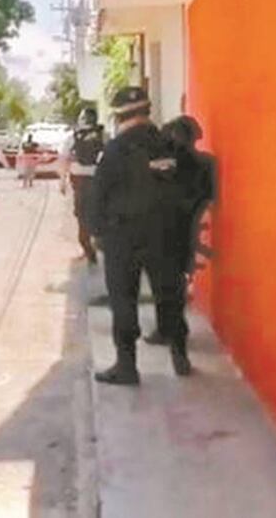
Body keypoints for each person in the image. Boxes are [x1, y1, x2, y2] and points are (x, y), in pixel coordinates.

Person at [92, 86, 188, 385]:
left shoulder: (115, 150)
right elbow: (186, 190)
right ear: (147, 112)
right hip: (165, 233)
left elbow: (97, 195)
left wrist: (97, 232)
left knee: (124, 298)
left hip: (124, 236)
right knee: (169, 292)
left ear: (119, 116)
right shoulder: (169, 145)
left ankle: (127, 365)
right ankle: (180, 353)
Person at [142, 115, 216, 347]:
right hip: (187, 230)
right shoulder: (205, 163)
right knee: (176, 282)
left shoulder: (167, 165)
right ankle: (174, 328)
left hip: (163, 231)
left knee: (163, 285)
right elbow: (208, 196)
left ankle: (170, 329)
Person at [60, 107, 105, 264]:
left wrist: (62, 181)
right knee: (98, 213)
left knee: (81, 216)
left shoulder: (73, 136)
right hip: (98, 180)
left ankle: (87, 247)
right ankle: (94, 246)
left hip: (79, 181)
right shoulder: (102, 134)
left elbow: (64, 159)